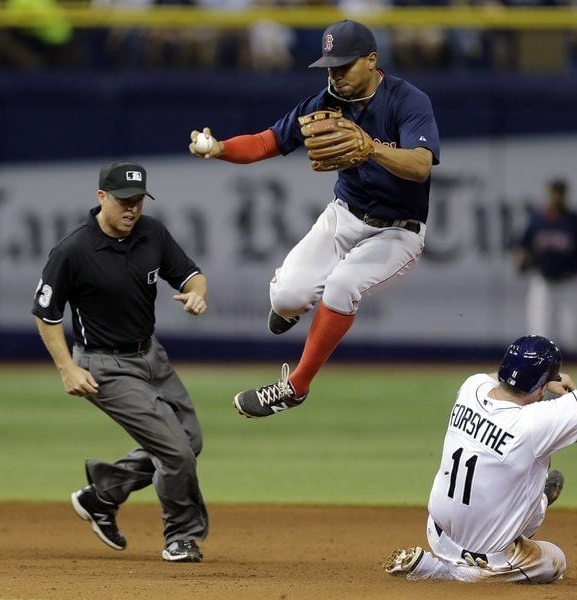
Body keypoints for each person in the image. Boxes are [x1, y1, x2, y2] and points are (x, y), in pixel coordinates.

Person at [188, 19, 440, 418]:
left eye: (343, 66)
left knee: (342, 286)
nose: (334, 75)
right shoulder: (324, 103)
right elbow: (266, 142)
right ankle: (290, 304)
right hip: (344, 215)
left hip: (398, 231)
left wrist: (371, 148)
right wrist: (219, 148)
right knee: (287, 296)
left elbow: (421, 166)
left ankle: (295, 387)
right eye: (329, 66)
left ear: (371, 61)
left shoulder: (408, 101)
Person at [383, 278, 577, 583]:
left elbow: (498, 378)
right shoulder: (535, 424)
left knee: (527, 471)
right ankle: (444, 572)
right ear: (539, 389)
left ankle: (527, 508)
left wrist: (545, 379)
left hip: (437, 533)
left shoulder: (472, 386)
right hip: (489, 561)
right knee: (555, 560)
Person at [32, 161, 209, 563]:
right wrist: (67, 368)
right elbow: (45, 313)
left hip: (151, 356)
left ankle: (102, 496)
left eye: (138, 201)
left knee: (190, 442)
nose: (132, 209)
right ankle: (181, 536)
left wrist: (198, 294)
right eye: (123, 201)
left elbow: (192, 275)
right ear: (101, 198)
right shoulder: (73, 249)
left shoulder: (152, 232)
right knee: (176, 453)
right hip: (104, 367)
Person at [515, 177, 577, 353]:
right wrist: (520, 260)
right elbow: (521, 248)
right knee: (538, 333)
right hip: (544, 281)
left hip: (572, 281)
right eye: (553, 192)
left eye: (560, 193)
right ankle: (541, 371)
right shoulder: (537, 221)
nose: (556, 197)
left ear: (565, 195)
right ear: (548, 194)